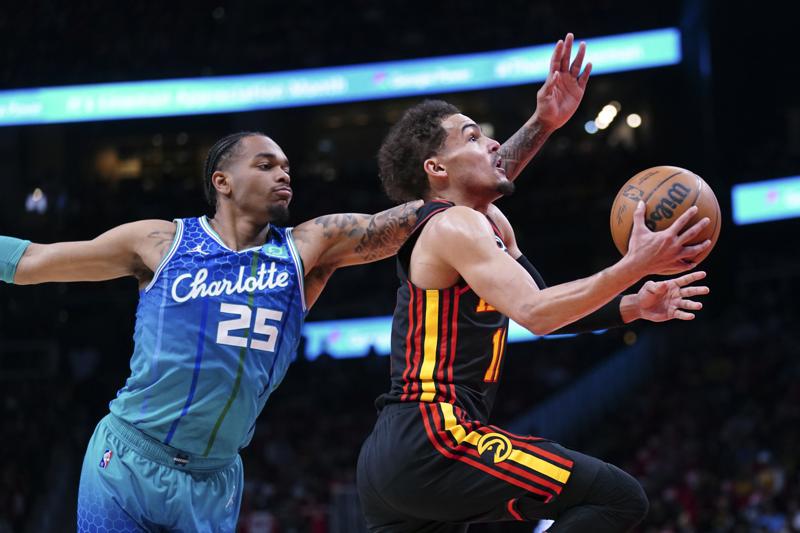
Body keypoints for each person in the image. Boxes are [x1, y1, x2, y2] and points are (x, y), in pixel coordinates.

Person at [0, 33, 590, 533]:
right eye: (265, 164)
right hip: (127, 457)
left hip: (216, 475)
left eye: (287, 165)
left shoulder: (311, 247)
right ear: (221, 180)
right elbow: (33, 262)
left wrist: (541, 124)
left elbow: (452, 194)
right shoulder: (158, 242)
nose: (284, 172)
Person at [356, 90, 712, 533]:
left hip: (394, 455)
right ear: (436, 168)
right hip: (434, 435)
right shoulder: (454, 223)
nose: (491, 144)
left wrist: (633, 305)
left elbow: (546, 304)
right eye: (473, 137)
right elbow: (536, 313)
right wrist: (633, 266)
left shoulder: (487, 222)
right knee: (616, 498)